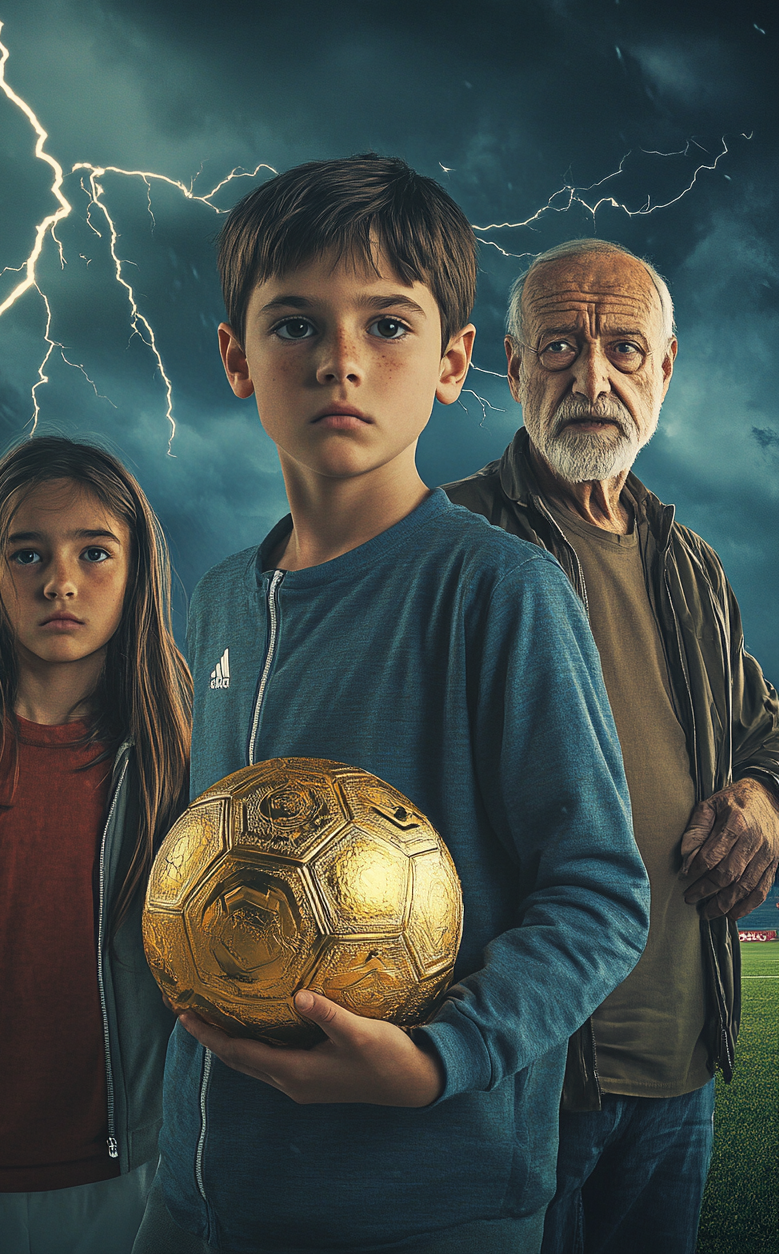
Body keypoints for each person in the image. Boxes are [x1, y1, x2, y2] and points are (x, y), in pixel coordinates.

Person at [133, 156, 650, 1254]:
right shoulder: (223, 595)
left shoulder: (499, 589)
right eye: (293, 326)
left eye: (385, 326)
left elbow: (599, 892)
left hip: (421, 1203)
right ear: (236, 358)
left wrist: (430, 1063)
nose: (339, 362)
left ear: (455, 361)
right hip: (198, 1199)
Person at [443, 237, 779, 1254]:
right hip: (520, 1078)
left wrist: (764, 800)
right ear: (510, 364)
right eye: (557, 347)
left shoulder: (689, 563)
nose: (591, 377)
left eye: (624, 350)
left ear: (663, 371)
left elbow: (762, 733)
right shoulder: (448, 544)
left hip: (677, 1072)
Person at [0, 437, 193, 1254]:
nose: (60, 581)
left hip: (129, 1177)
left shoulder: (181, 778)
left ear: (137, 575)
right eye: (27, 553)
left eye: (95, 552)